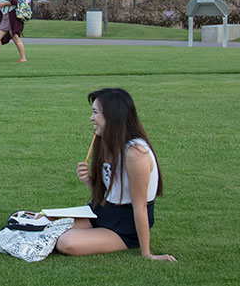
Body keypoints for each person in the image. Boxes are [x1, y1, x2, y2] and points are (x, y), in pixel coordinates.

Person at [55, 88, 175, 261]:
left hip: (124, 225)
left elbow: (140, 206)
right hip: (101, 212)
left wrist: (147, 254)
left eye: (95, 113)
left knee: (66, 243)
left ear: (112, 116)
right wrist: (89, 180)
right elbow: (112, 190)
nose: (91, 118)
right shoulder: (107, 141)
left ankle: (110, 238)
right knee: (45, 222)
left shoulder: (135, 153)